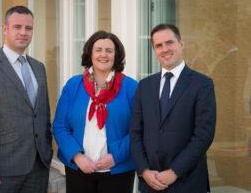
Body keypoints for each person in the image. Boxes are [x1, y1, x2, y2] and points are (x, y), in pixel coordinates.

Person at [0, 5, 52, 193]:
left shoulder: (39, 68)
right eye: (17, 27)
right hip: (3, 168)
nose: (23, 33)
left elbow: (42, 114)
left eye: (28, 28)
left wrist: (48, 150)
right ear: (5, 29)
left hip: (39, 165)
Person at [130, 23, 216, 193]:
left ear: (181, 44)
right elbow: (135, 132)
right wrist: (144, 171)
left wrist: (175, 171)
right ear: (154, 50)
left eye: (169, 42)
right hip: (150, 182)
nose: (164, 49)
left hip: (187, 181)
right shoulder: (144, 86)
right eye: (158, 45)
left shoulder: (202, 84)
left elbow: (203, 135)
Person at [53, 30, 137, 193]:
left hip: (118, 169)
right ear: (90, 54)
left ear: (116, 55)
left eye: (109, 50)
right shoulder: (73, 85)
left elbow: (139, 129)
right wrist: (77, 156)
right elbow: (60, 126)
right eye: (98, 50)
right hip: (78, 169)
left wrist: (116, 157)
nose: (103, 55)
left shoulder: (131, 87)